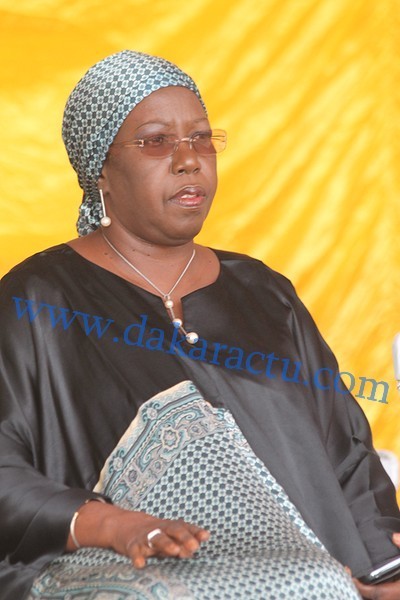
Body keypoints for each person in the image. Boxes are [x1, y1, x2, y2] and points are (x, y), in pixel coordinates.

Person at [0, 50, 399, 600]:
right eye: (156, 141)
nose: (189, 160)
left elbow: (346, 455)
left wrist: (387, 569)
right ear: (100, 170)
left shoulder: (264, 293)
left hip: (321, 579)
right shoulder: (38, 299)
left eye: (202, 139)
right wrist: (108, 524)